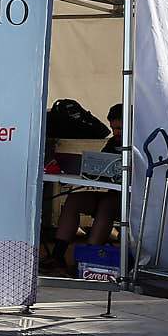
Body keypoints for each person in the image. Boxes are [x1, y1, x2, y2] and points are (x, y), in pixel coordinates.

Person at [47, 103, 124, 272]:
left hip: (131, 202)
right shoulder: (112, 142)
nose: (115, 132)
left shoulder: (138, 144)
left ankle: (89, 260)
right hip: (110, 193)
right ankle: (57, 256)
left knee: (107, 205)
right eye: (113, 128)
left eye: (119, 128)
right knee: (74, 200)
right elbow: (102, 165)